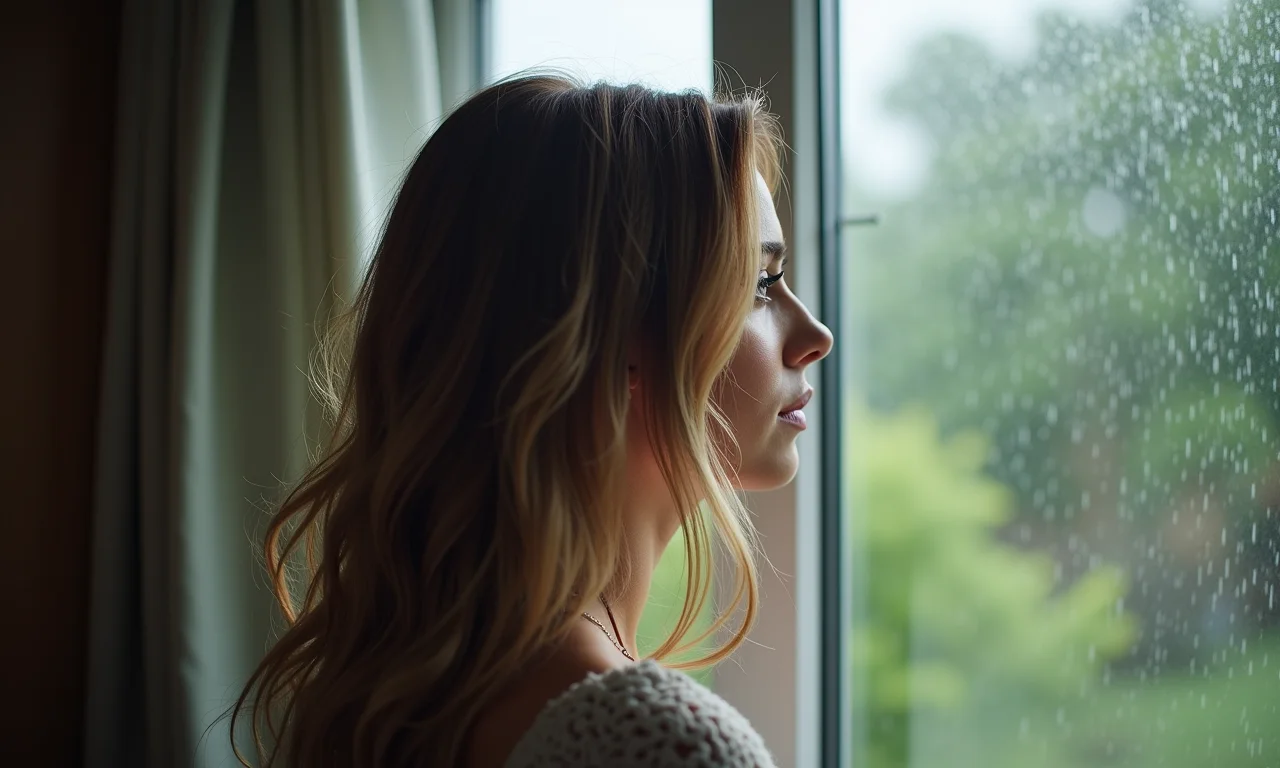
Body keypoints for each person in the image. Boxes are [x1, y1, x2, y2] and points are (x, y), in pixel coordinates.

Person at [231, 73, 832, 767]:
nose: (815, 334)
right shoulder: (656, 744)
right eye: (760, 285)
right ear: (613, 332)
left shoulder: (398, 693)